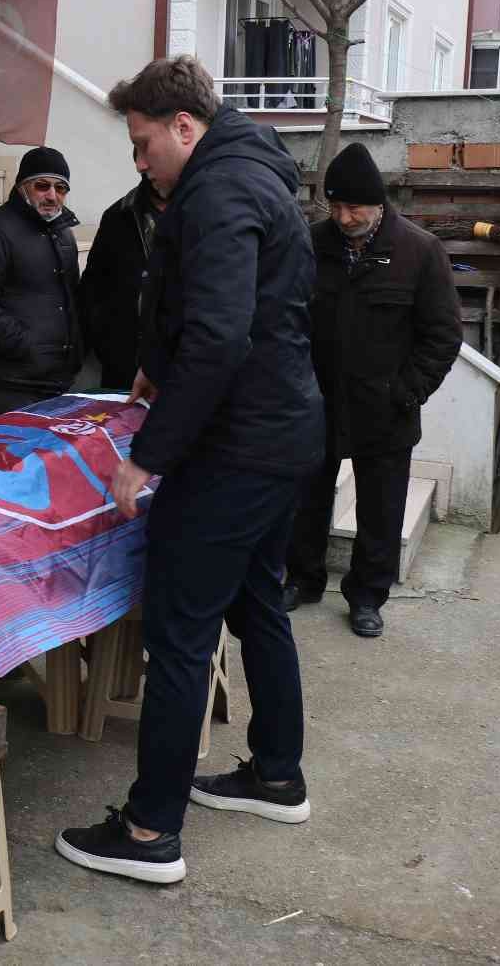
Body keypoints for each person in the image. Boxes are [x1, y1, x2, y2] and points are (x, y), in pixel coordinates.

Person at [55, 56, 324, 884]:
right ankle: (277, 775)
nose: (139, 164)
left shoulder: (216, 191)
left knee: (178, 631)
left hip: (234, 447)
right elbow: (220, 315)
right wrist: (156, 368)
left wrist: (146, 456)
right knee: (257, 602)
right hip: (280, 433)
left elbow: (219, 335)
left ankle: (148, 833)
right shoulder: (248, 171)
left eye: (142, 146)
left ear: (183, 127)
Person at [282, 143, 463, 638]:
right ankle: (303, 577)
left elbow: (443, 335)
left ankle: (367, 596)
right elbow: (288, 318)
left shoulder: (419, 251)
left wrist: (409, 391)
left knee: (381, 509)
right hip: (317, 402)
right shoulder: (310, 243)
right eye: (335, 206)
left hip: (386, 406)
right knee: (306, 499)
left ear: (378, 202)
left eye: (354, 207)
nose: (343, 217)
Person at [0, 146, 83, 417]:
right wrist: (25, 346)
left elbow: (70, 299)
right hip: (11, 387)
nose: (52, 195)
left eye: (61, 188)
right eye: (42, 186)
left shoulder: (63, 235)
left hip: (58, 382)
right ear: (21, 187)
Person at [79, 150, 169, 391]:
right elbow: (93, 287)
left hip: (182, 366)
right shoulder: (118, 216)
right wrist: (107, 345)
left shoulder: (203, 212)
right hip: (124, 367)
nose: (145, 166)